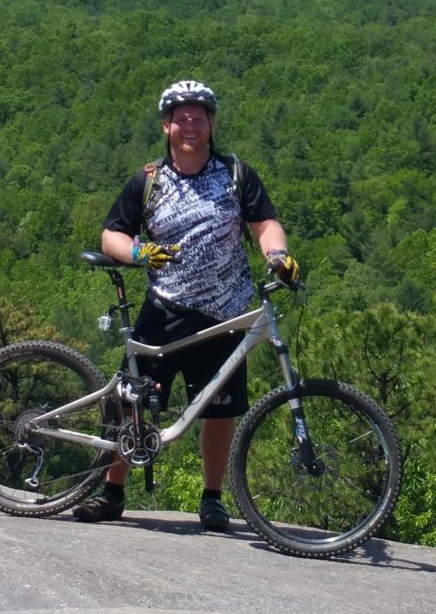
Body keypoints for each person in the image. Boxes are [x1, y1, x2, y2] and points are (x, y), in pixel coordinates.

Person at [77, 78, 298, 531]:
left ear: (212, 124)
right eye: (182, 119)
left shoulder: (236, 173)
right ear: (166, 127)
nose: (190, 125)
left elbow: (265, 224)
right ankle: (111, 492)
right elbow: (111, 235)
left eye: (199, 117)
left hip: (227, 314)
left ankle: (212, 498)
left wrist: (277, 255)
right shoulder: (149, 181)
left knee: (219, 413)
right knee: (128, 404)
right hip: (165, 311)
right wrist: (139, 253)